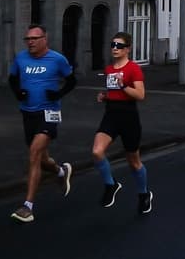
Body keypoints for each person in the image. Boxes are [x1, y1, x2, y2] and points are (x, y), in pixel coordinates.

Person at [8, 24, 75, 223]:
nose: (30, 42)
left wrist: (58, 93)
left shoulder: (57, 59)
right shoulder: (21, 58)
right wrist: (18, 92)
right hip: (28, 112)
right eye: (27, 39)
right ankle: (62, 171)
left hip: (49, 112)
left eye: (34, 39)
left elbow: (72, 81)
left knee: (34, 153)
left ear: (44, 39)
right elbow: (12, 79)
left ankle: (27, 206)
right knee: (43, 160)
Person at [91, 33, 151, 216]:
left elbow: (140, 95)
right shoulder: (109, 69)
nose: (115, 48)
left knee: (133, 162)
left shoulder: (133, 69)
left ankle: (144, 194)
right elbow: (113, 92)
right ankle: (111, 184)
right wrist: (105, 96)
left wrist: (124, 85)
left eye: (119, 45)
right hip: (111, 115)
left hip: (128, 117)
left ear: (127, 49)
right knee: (97, 151)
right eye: (113, 45)